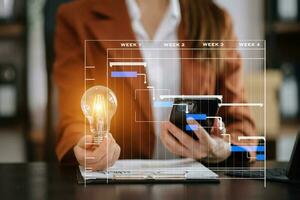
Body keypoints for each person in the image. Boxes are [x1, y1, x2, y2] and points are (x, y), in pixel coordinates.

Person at [54, 0, 257, 170]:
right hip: (117, 188)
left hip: (196, 188)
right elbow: (73, 120)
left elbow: (241, 124)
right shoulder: (76, 18)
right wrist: (87, 145)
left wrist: (222, 149)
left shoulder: (216, 21)